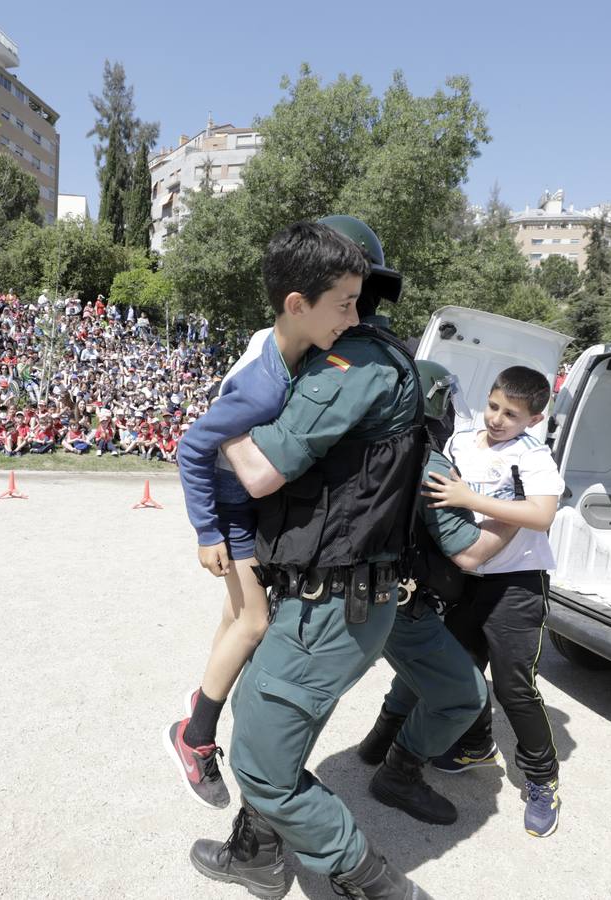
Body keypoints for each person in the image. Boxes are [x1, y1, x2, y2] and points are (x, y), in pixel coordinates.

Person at [188, 216, 433, 899]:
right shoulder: (377, 356)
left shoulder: (355, 362)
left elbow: (262, 471)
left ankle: (380, 887)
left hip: (331, 605)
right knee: (269, 729)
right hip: (333, 595)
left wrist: (220, 415)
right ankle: (257, 853)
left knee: (261, 764)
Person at [165, 221, 367, 811]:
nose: (353, 320)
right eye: (345, 306)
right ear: (297, 305)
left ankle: (201, 696)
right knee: (254, 623)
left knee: (236, 616)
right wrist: (207, 532)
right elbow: (193, 446)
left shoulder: (285, 345)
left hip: (244, 507)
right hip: (231, 510)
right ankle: (195, 736)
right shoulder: (263, 388)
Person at [352, 360, 520, 827]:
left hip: (363, 595)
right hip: (402, 603)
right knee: (465, 696)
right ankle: (398, 773)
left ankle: (379, 741)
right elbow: (469, 554)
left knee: (425, 669)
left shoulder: (365, 446)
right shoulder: (429, 460)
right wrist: (513, 517)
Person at [418, 365, 566, 837]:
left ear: (535, 419)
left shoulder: (533, 456)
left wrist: (470, 498)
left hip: (518, 586)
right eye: (494, 406)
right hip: (471, 583)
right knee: (462, 675)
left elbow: (541, 515)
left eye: (512, 414)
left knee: (514, 688)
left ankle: (543, 781)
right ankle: (476, 745)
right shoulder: (461, 441)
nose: (498, 419)